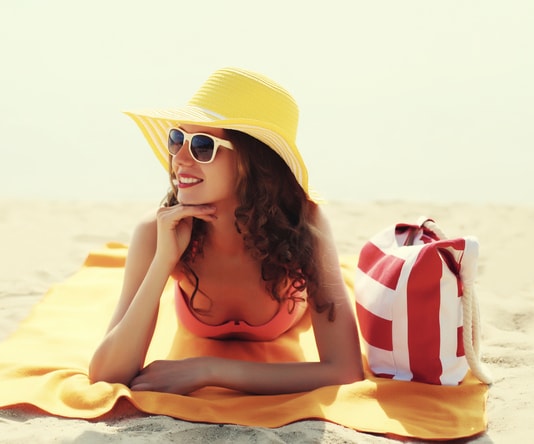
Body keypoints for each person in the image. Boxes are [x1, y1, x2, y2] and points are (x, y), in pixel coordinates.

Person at [88, 67, 364, 395]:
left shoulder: (303, 225)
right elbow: (106, 375)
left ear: (254, 162)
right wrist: (163, 261)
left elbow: (346, 371)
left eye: (203, 146)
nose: (180, 160)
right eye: (177, 140)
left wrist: (209, 370)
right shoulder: (158, 230)